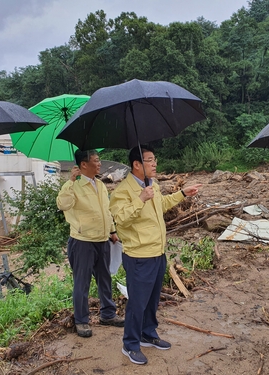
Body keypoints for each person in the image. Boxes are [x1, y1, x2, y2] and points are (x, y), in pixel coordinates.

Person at [109, 145, 201, 365]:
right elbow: (120, 219)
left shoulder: (153, 185)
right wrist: (140, 199)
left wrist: (181, 194)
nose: (155, 163)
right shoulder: (121, 192)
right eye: (150, 160)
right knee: (137, 303)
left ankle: (148, 333)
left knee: (151, 300)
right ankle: (130, 344)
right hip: (139, 256)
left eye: (155, 159)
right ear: (136, 165)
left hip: (158, 252)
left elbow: (161, 205)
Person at [56, 149, 124, 338]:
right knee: (82, 283)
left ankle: (108, 314)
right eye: (96, 160)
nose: (99, 163)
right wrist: (70, 181)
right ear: (83, 165)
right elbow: (62, 204)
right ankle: (81, 320)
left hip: (102, 240)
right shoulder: (73, 186)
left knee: (105, 279)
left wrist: (112, 231)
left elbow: (106, 210)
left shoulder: (101, 185)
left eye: (99, 159)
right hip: (82, 242)